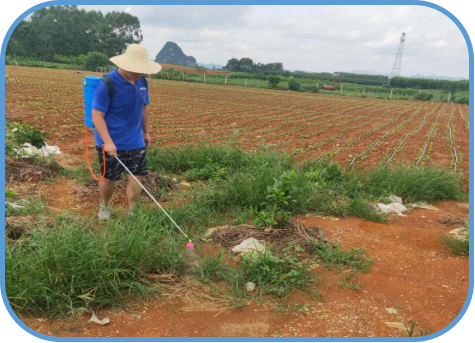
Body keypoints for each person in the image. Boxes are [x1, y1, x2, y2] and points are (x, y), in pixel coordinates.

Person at [91, 44, 162, 220]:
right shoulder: (107, 83)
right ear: (126, 64)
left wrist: (146, 132)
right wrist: (107, 141)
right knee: (109, 178)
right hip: (110, 141)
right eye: (136, 70)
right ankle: (104, 208)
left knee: (136, 177)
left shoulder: (142, 82)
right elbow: (97, 115)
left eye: (142, 70)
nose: (139, 74)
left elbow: (144, 107)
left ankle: (132, 213)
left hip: (135, 140)